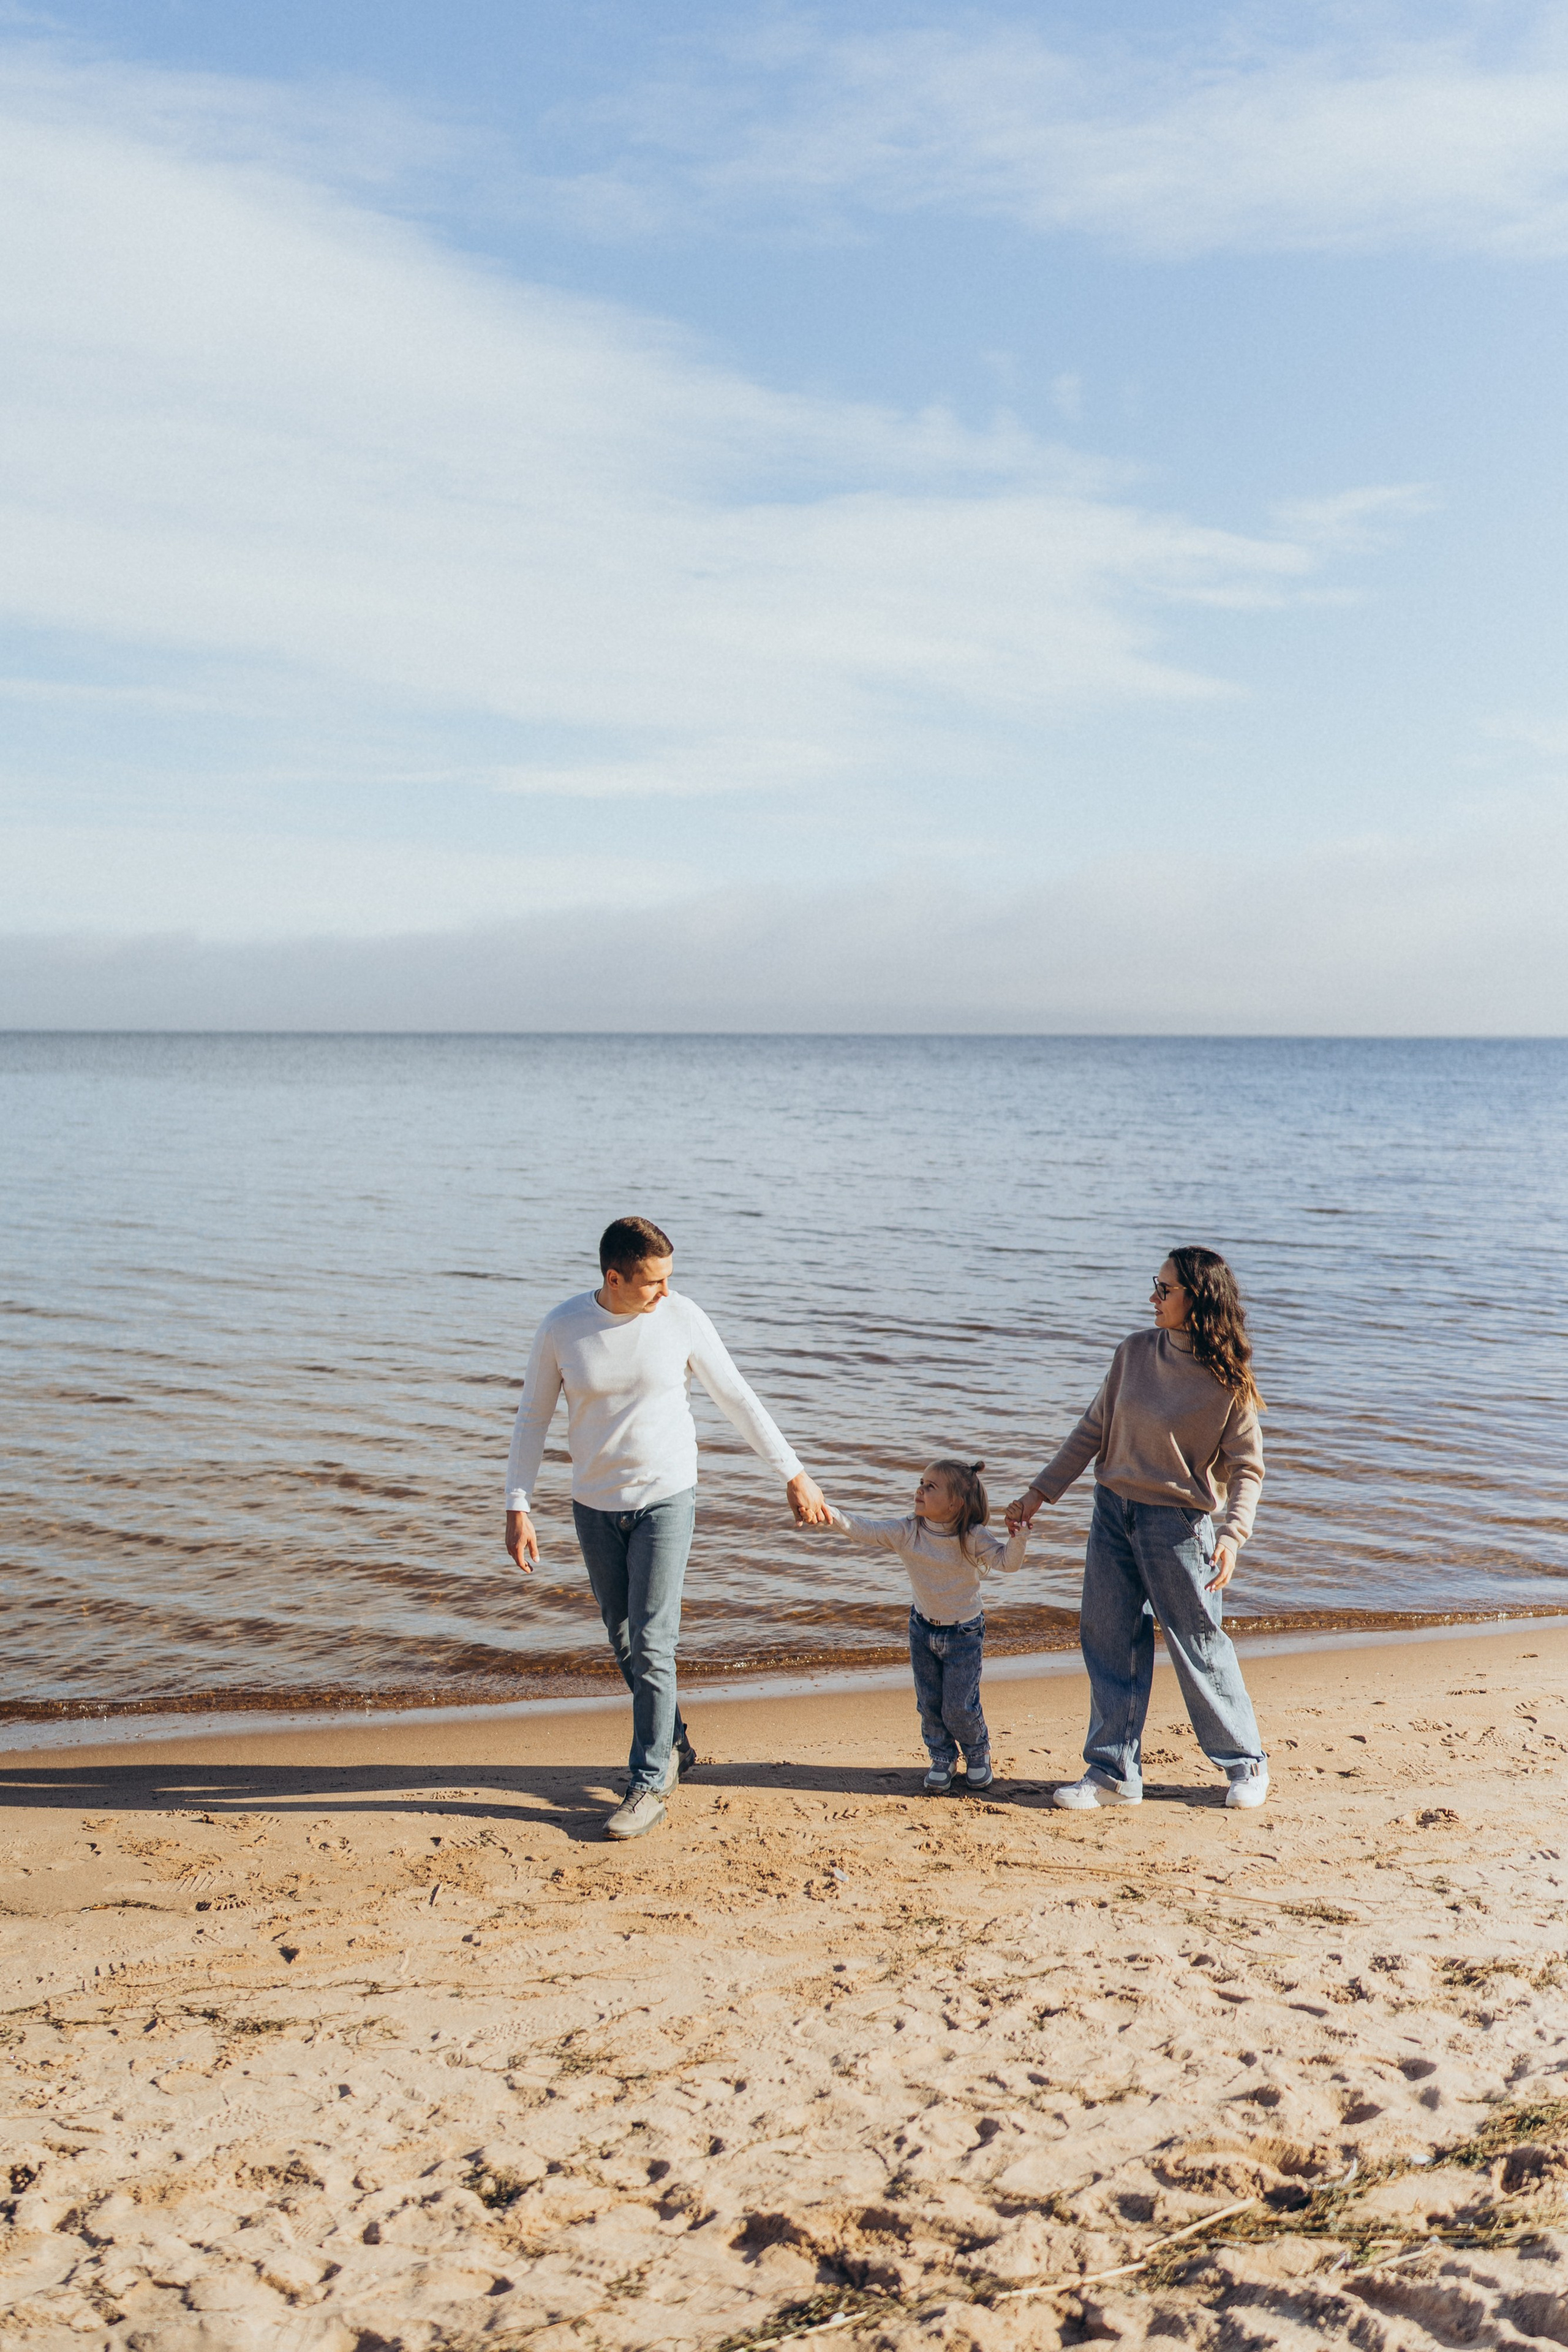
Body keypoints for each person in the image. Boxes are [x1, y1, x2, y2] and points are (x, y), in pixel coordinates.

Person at [504, 1216, 829, 1841]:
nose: (665, 1292)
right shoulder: (564, 1327)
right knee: (623, 1635)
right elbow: (531, 1421)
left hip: (665, 1499)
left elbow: (736, 1396)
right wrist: (518, 1504)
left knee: (654, 1640)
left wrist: (793, 1472)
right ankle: (673, 1741)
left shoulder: (681, 1317)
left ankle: (649, 1780)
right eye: (652, 1282)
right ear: (613, 1277)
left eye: (669, 1279)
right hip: (594, 1504)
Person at [1005, 1247, 1270, 1811]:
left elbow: (1247, 1468)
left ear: (1196, 1299)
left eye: (1165, 1288)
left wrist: (1232, 1536)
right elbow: (1092, 1430)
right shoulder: (1133, 1352)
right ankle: (1112, 1773)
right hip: (1113, 1513)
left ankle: (1246, 1761)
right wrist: (1039, 1493)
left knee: (1199, 1646)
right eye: (1157, 1284)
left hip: (1178, 1528)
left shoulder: (1229, 1382)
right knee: (1107, 1640)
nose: (1153, 1296)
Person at [807, 1460, 1026, 1794]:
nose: (919, 1489)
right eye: (921, 1482)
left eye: (930, 1486)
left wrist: (1019, 1536)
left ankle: (977, 1754)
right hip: (922, 1630)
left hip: (964, 1633)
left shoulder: (971, 1537)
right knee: (929, 1703)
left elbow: (1008, 1563)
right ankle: (942, 1757)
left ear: (956, 1504)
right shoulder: (909, 1531)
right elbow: (866, 1529)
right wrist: (828, 1512)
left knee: (959, 1705)